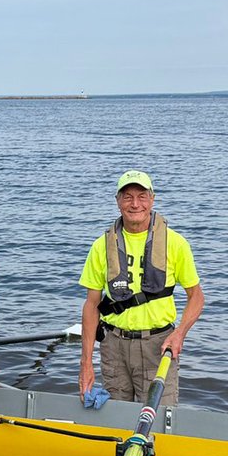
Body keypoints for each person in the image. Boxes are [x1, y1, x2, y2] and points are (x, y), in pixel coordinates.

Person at [78, 170, 204, 407]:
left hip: (158, 346)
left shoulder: (175, 243)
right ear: (118, 202)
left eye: (142, 196)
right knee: (114, 418)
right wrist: (86, 363)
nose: (135, 204)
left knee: (157, 421)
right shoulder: (100, 246)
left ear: (152, 199)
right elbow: (91, 305)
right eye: (127, 197)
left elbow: (196, 297)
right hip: (113, 346)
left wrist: (179, 335)